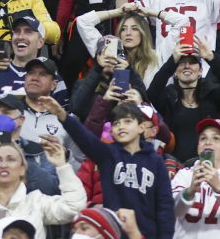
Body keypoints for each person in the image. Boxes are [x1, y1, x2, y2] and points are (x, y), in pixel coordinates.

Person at [42, 97, 176, 239]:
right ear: (111, 131)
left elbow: (165, 205)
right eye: (116, 123)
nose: (121, 126)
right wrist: (61, 114)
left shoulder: (155, 161)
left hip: (147, 234)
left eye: (127, 121)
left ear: (141, 127)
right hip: (112, 233)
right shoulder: (107, 154)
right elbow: (84, 137)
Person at [0, 136, 87, 239]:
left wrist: (62, 166)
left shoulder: (36, 202)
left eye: (11, 159)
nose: (3, 165)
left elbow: (74, 207)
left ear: (22, 169)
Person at [169, 117, 220, 236]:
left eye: (216, 138)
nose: (208, 142)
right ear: (198, 147)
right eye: (203, 138)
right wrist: (190, 191)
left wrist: (219, 187)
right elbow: (173, 212)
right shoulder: (184, 174)